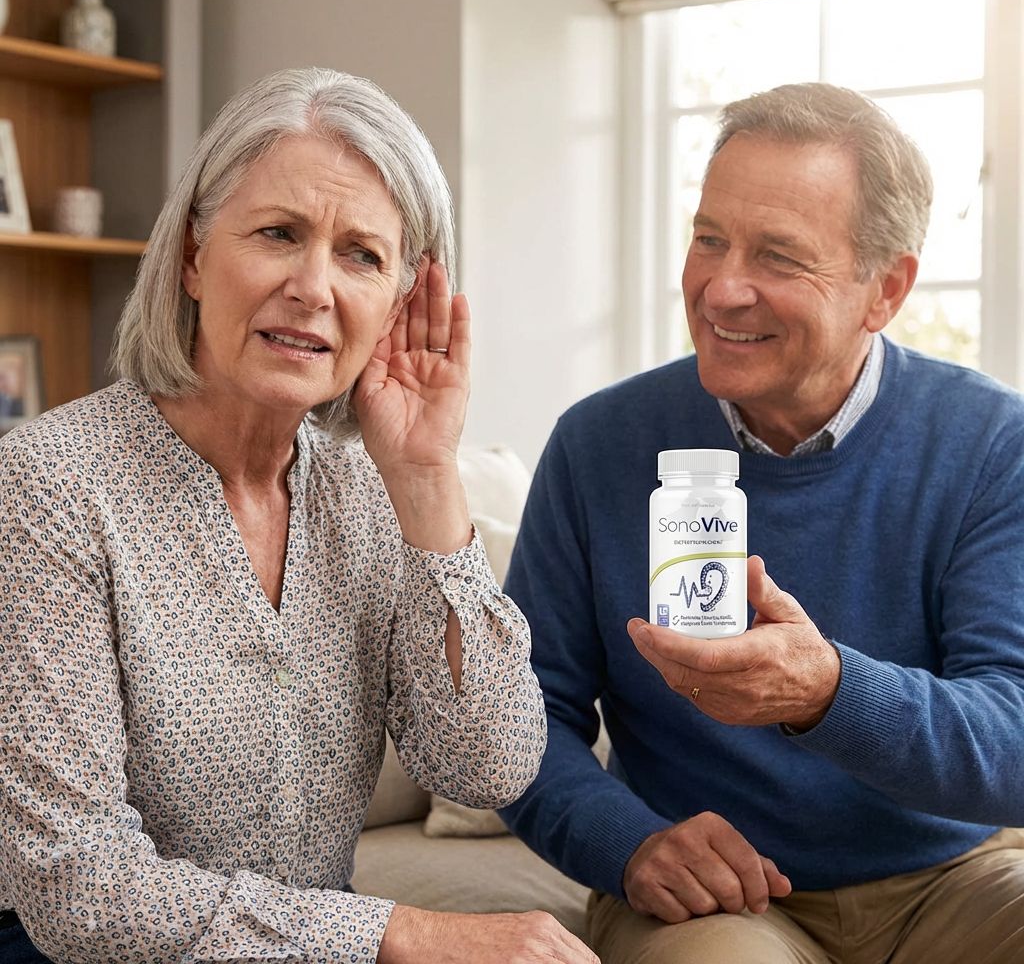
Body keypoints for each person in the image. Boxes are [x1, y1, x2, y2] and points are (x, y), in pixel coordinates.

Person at [0, 67, 597, 964]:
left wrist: (429, 478)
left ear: (401, 300)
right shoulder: (49, 484)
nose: (314, 286)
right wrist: (399, 931)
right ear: (195, 257)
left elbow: (489, 767)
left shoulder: (371, 489)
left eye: (362, 254)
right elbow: (77, 885)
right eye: (279, 234)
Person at [499, 82, 1024, 964]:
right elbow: (517, 720)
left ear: (884, 289)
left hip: (950, 883)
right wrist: (627, 843)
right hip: (718, 904)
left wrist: (827, 693)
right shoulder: (598, 444)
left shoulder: (989, 444)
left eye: (778, 256)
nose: (722, 288)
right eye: (709, 239)